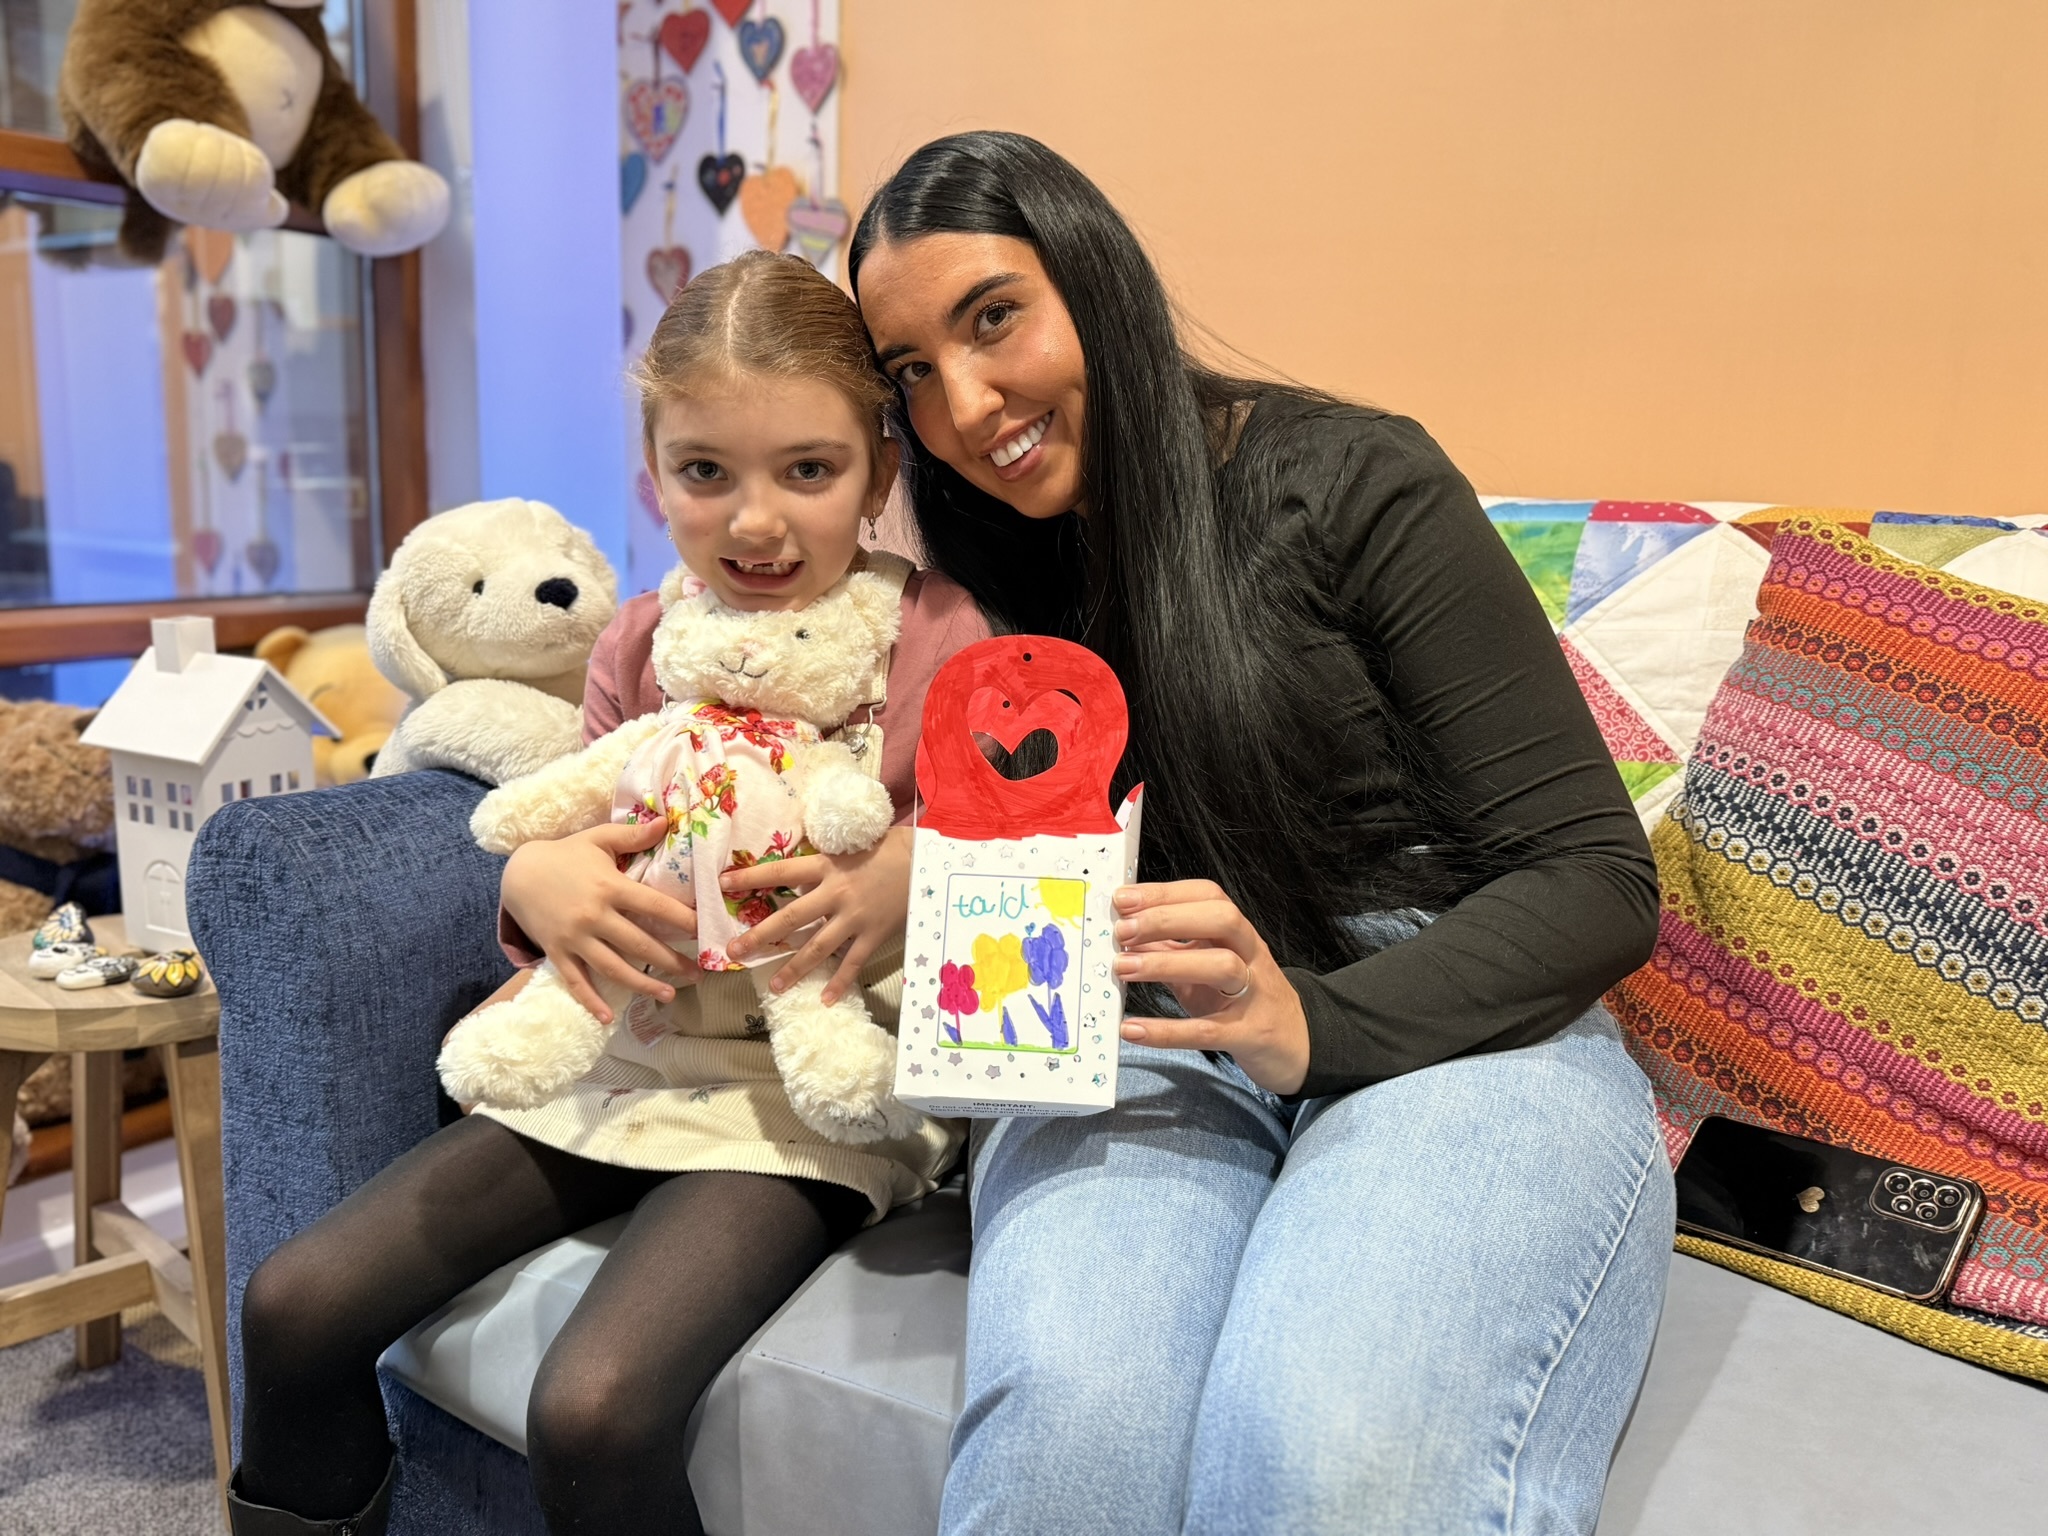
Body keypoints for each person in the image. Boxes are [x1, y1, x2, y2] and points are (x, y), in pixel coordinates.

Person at [836, 131, 1676, 1534]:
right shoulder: (979, 584)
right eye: (912, 373)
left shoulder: (1353, 482)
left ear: (1095, 280)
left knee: (1322, 1456)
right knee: (1072, 1447)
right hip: (1142, 1016)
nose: (970, 406)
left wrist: (1312, 1023)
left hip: (1459, 1017)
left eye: (995, 320)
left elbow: (1597, 880)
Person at [228, 252, 988, 1536]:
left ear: (878, 469)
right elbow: (573, 809)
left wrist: (916, 870)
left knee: (593, 1405)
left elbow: (1022, 860)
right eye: (706, 473)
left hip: (801, 1093)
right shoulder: (639, 639)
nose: (755, 522)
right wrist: (534, 875)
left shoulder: (940, 637)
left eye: (808, 470)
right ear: (655, 471)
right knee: (294, 1303)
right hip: (624, 1047)